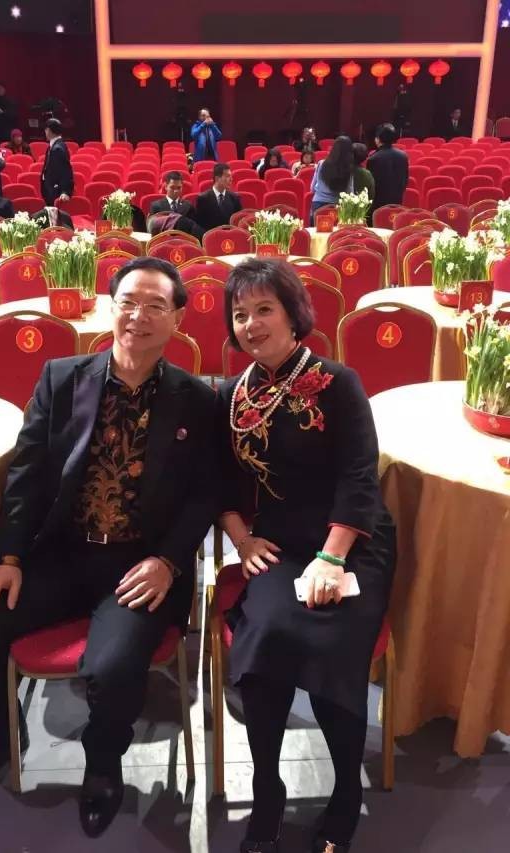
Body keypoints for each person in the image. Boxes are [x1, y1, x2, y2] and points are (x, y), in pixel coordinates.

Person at [0, 256, 217, 837]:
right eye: (128, 302)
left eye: (155, 305)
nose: (138, 316)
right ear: (111, 307)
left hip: (141, 563)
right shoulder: (62, 378)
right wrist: (8, 560)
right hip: (63, 553)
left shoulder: (197, 399)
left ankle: (103, 768)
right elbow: (27, 475)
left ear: (177, 318)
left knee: (111, 668)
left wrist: (168, 561)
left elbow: (204, 496)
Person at [216, 258, 395, 853]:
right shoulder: (233, 395)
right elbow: (218, 484)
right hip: (277, 545)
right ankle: (267, 790)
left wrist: (332, 558)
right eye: (240, 314)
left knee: (330, 644)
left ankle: (345, 793)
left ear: (293, 315)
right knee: (264, 641)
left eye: (264, 309)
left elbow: (359, 478)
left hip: (350, 542)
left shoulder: (338, 382)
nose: (251, 324)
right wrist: (241, 539)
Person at [310, 135, 354, 223]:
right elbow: (350, 193)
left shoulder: (321, 164)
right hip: (339, 207)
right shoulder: (348, 168)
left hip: (318, 204)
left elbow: (312, 188)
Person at [367, 123, 409, 214]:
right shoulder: (403, 156)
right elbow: (405, 179)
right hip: (397, 201)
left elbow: (371, 185)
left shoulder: (373, 158)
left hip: (378, 205)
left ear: (377, 139)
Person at [194, 163, 242, 231]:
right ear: (217, 178)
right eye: (227, 176)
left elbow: (238, 223)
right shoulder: (203, 199)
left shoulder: (235, 198)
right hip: (211, 235)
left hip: (230, 235)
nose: (231, 179)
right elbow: (199, 225)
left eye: (231, 176)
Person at [41, 118, 74, 205]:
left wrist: (65, 191)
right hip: (50, 188)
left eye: (46, 130)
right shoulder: (57, 145)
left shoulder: (57, 149)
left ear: (48, 130)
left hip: (55, 190)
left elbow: (65, 171)